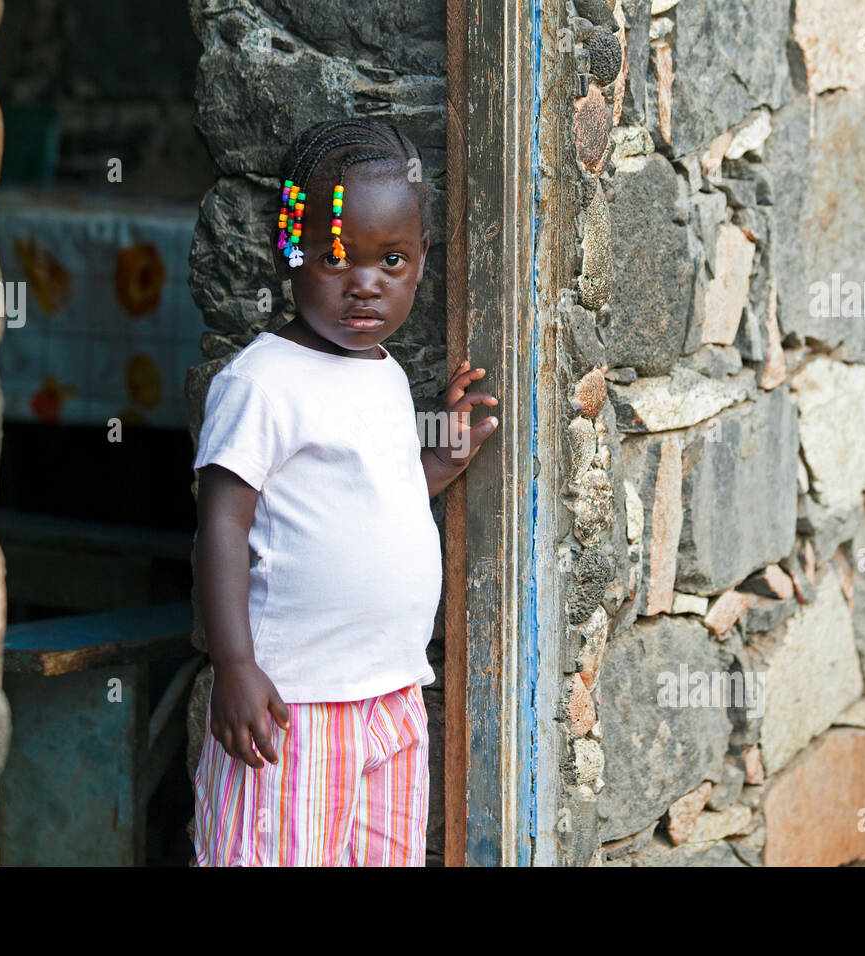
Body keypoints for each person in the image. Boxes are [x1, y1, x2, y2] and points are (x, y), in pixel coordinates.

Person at [191, 118, 501, 866]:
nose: (366, 283)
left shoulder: (386, 374)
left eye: (391, 259)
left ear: (420, 261)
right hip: (290, 706)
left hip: (391, 696)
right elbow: (222, 527)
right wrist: (234, 665)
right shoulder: (262, 383)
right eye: (336, 258)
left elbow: (382, 495)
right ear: (290, 250)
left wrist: (445, 462)